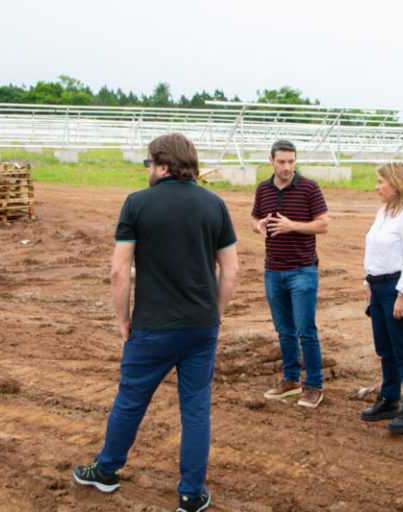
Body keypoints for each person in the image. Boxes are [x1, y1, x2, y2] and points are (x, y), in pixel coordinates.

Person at [72, 133, 239, 512]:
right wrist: (215, 315)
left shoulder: (137, 204)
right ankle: (190, 495)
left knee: (130, 400)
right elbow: (230, 271)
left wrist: (123, 319)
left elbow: (119, 271)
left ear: (163, 165)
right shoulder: (215, 205)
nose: (147, 169)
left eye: (149, 162)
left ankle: (108, 472)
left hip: (152, 326)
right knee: (195, 410)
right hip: (200, 328)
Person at [252, 139, 329, 408]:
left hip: (302, 270)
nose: (287, 167)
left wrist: (291, 226)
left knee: (306, 330)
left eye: (291, 161)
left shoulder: (309, 188)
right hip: (273, 270)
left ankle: (314, 385)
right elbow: (254, 219)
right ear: (271, 160)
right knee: (284, 330)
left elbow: (323, 225)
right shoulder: (263, 189)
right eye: (282, 161)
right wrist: (258, 225)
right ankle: (290, 379)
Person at [362, 162, 403, 434]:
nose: (377, 187)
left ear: (396, 183)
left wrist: (402, 295)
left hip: (394, 288)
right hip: (378, 287)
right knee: (385, 348)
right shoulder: (384, 212)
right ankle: (389, 399)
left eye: (380, 182)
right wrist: (368, 282)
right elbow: (375, 250)